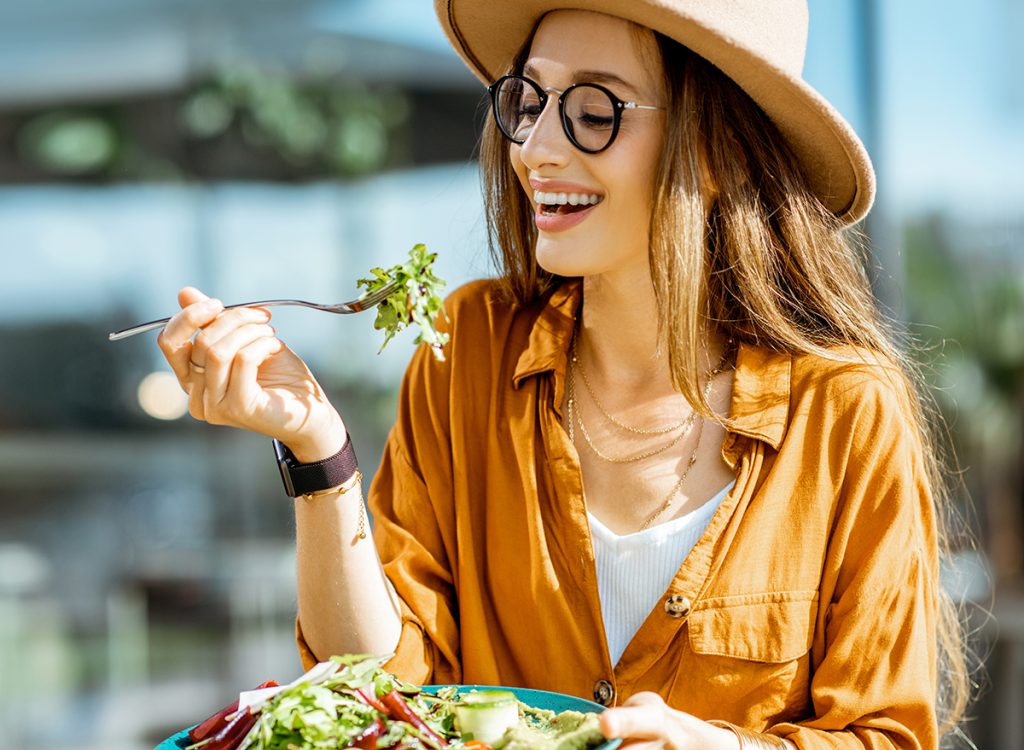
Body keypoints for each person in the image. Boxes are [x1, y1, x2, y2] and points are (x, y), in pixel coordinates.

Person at [156, 1, 970, 748]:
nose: (536, 149)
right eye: (529, 101)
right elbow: (377, 695)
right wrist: (316, 449)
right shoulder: (465, 348)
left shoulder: (847, 410)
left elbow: (887, 734)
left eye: (592, 111)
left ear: (717, 145)